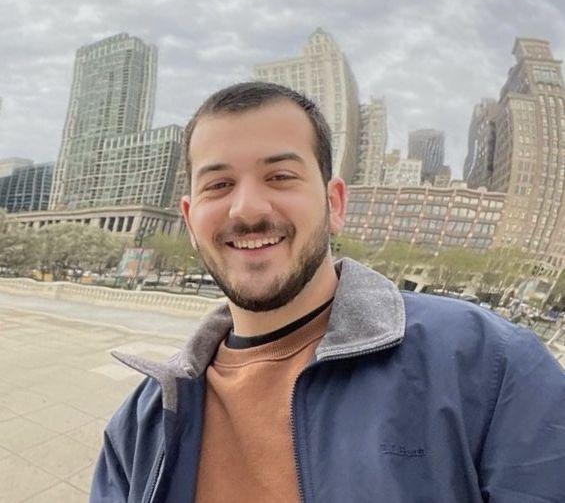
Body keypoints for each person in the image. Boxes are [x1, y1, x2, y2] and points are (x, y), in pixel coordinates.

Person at [90, 82, 565, 503]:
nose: (247, 208)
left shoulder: (490, 366)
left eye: (280, 177)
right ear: (190, 219)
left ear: (334, 204)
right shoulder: (140, 425)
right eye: (219, 184)